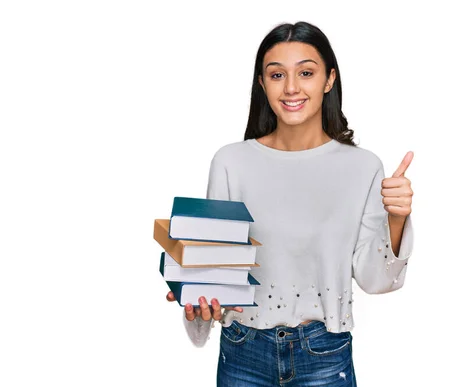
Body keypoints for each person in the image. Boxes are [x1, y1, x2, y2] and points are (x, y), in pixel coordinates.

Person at [166, 21, 414, 386]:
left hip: (324, 356)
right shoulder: (231, 162)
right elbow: (215, 270)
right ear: (262, 84)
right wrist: (198, 300)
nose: (292, 87)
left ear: (329, 80)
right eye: (277, 74)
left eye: (306, 72)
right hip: (243, 351)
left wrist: (397, 219)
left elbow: (375, 280)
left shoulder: (362, 167)